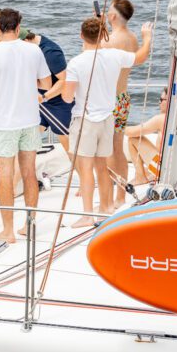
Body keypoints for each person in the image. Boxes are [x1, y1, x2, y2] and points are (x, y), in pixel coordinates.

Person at [62, 17, 152, 228]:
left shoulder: (76, 63)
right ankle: (107, 206)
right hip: (107, 119)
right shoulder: (114, 56)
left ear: (81, 35)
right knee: (102, 166)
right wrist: (147, 38)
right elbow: (140, 57)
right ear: (104, 35)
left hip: (85, 121)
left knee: (86, 169)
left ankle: (87, 215)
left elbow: (67, 97)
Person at [0, 8, 52, 243]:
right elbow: (46, 83)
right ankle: (28, 225)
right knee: (29, 173)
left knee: (5, 177)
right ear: (19, 27)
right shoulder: (33, 50)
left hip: (5, 123)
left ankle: (8, 231)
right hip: (30, 120)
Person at [104, 0, 139, 208]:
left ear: (113, 16)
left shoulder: (110, 39)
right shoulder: (133, 38)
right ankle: (120, 196)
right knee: (118, 149)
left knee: (107, 150)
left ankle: (109, 198)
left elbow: (88, 54)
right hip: (123, 98)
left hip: (109, 99)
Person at [23, 31, 74, 147]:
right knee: (27, 137)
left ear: (26, 41)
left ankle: (78, 165)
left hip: (58, 102)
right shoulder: (29, 49)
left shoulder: (50, 53)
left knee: (67, 142)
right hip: (38, 103)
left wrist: (44, 97)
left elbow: (64, 81)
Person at [124, 89, 168, 184]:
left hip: (164, 170)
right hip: (175, 169)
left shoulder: (162, 119)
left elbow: (132, 132)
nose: (159, 102)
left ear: (169, 101)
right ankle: (146, 175)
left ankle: (140, 178)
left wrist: (117, 126)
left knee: (133, 139)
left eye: (161, 99)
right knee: (147, 170)